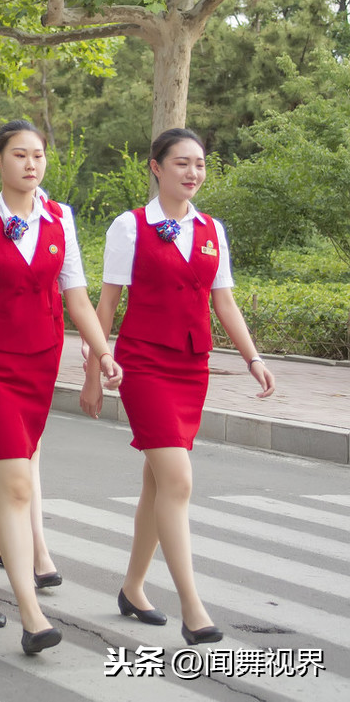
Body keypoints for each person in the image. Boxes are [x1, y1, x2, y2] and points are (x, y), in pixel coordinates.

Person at [0, 119, 122, 654]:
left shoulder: (62, 220)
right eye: (19, 154)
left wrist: (102, 351)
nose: (31, 164)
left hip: (39, 365)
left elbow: (76, 296)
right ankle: (31, 616)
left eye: (38, 155)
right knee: (15, 485)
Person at [81, 127, 275, 647]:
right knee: (179, 481)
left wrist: (253, 357)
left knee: (157, 482)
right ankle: (193, 607)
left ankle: (133, 587)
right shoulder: (130, 226)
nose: (193, 173)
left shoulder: (212, 228)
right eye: (182, 163)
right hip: (143, 364)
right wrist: (93, 372)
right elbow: (106, 305)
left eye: (201, 164)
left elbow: (224, 301)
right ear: (156, 167)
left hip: (192, 367)